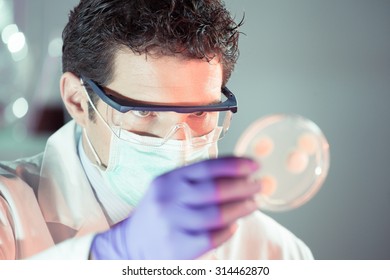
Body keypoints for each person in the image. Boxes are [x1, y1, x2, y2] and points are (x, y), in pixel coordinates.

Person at [0, 0, 313, 260]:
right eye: (142, 110)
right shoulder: (8, 210)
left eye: (200, 111)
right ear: (78, 101)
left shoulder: (274, 252)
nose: (179, 142)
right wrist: (112, 255)